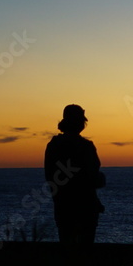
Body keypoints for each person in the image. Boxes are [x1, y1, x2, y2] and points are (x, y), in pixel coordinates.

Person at [44, 104, 105, 245]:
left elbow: (50, 177)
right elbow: (91, 177)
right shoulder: (86, 147)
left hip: (63, 207)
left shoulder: (53, 145)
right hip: (84, 208)